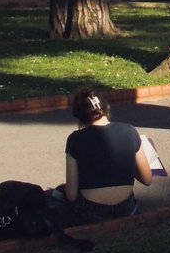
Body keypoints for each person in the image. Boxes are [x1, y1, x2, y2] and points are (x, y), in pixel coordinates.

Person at [62, 86, 152, 222]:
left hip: (92, 209)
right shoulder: (129, 130)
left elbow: (71, 195)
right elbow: (147, 179)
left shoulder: (75, 139)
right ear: (106, 107)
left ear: (80, 117)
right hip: (126, 207)